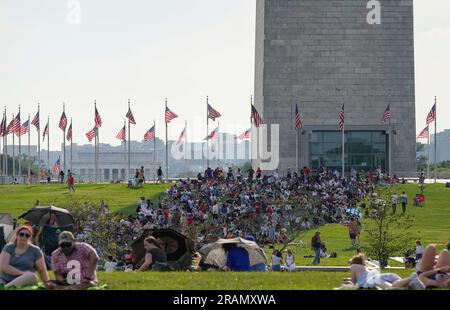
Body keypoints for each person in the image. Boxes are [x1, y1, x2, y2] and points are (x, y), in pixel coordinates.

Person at [346, 254, 413, 289]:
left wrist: (348, 281)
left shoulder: (354, 266)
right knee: (404, 286)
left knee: (391, 288)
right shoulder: (364, 269)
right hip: (385, 276)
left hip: (374, 279)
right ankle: (411, 280)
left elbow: (353, 282)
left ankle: (411, 278)